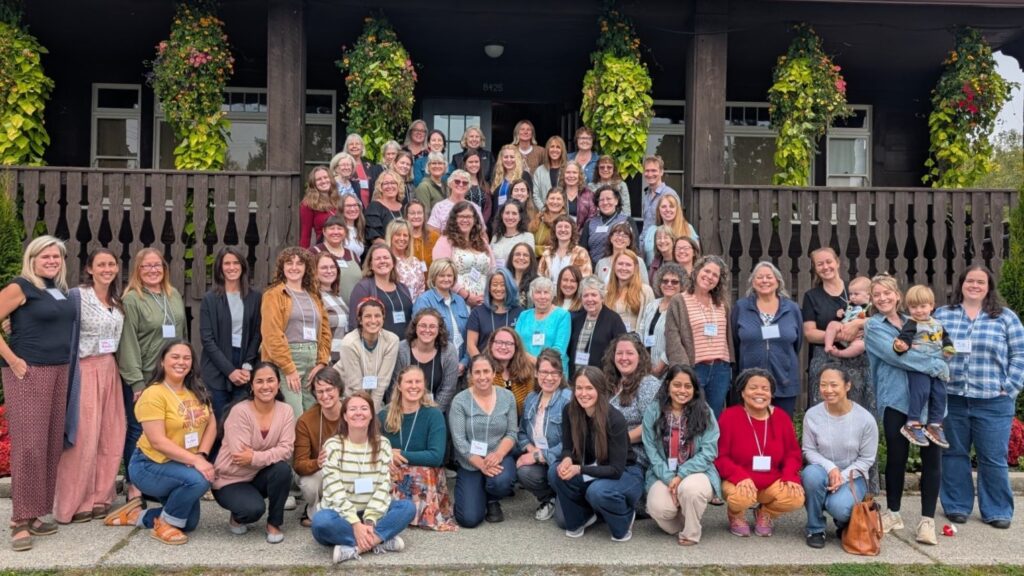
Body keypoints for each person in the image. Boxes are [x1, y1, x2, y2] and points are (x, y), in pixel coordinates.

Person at [936, 265, 1024, 531]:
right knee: (953, 454)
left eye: (980, 282)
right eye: (970, 281)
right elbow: (929, 348)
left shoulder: (1006, 318)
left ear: (989, 287)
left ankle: (997, 510)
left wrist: (1009, 387)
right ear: (961, 284)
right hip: (953, 398)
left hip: (993, 400)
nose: (974, 285)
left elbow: (1019, 355)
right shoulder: (943, 314)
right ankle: (956, 505)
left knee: (993, 457)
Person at [0, 236, 75, 548]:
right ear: (31, 259)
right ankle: (19, 520)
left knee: (50, 443)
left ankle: (34, 514)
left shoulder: (57, 289)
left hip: (59, 370)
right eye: (45, 256)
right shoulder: (20, 286)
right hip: (28, 372)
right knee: (29, 446)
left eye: (56, 257)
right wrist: (13, 360)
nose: (52, 261)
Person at [105, 341, 215, 546]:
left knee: (188, 522)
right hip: (149, 465)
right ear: (162, 361)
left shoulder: (197, 389)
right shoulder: (153, 394)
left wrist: (201, 455)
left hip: (182, 463)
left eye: (187, 358)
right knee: (200, 480)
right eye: (175, 357)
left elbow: (212, 424)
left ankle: (136, 515)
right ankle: (163, 525)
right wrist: (196, 462)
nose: (181, 362)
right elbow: (157, 441)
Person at [864, 274, 946, 544]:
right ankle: (893, 512)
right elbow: (898, 357)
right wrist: (936, 365)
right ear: (872, 300)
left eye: (887, 293)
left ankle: (927, 520)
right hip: (896, 399)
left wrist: (939, 356)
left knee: (932, 458)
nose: (883, 298)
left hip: (929, 402)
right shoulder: (874, 326)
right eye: (877, 295)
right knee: (897, 457)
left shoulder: (918, 320)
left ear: (897, 295)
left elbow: (940, 346)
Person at [54, 249, 126, 526]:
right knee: (83, 438)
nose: (107, 269)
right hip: (85, 369)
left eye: (111, 264)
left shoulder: (117, 301)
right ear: (90, 269)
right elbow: (50, 318)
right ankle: (74, 502)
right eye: (101, 264)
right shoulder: (77, 296)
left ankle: (100, 497)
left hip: (110, 369)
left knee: (110, 435)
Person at [311, 392, 416, 563]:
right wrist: (355, 523)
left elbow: (383, 487)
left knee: (407, 507)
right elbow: (335, 492)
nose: (358, 412)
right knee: (321, 521)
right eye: (353, 409)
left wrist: (369, 522)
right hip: (341, 515)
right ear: (345, 416)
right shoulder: (332, 446)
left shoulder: (383, 445)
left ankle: (357, 546)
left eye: (364, 408)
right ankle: (380, 539)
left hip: (373, 514)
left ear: (371, 415)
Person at [118, 248, 187, 506]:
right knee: (138, 429)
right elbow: (127, 342)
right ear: (137, 270)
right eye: (146, 266)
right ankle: (134, 484)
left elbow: (181, 334)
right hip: (145, 376)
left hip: (172, 375)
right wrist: (136, 382)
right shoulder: (132, 300)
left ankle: (161, 481)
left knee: (168, 428)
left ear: (164, 268)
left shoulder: (173, 295)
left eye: (157, 265)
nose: (152, 270)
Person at [550, 366, 642, 541]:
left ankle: (625, 516)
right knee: (555, 472)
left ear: (600, 389)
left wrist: (579, 469)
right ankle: (585, 514)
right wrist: (567, 459)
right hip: (590, 469)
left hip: (624, 473)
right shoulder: (569, 410)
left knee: (598, 491)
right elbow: (567, 447)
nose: (583, 393)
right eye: (579, 388)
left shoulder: (615, 419)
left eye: (589, 388)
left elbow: (615, 470)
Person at [715, 368, 805, 538]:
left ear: (771, 394)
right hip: (740, 480)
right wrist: (739, 476)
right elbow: (720, 456)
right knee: (742, 498)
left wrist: (789, 476)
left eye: (765, 389)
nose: (759, 392)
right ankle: (735, 514)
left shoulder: (781, 417)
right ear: (742, 392)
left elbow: (792, 454)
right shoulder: (729, 416)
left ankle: (765, 513)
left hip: (771, 480)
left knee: (796, 497)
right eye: (753, 387)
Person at [212, 362, 295, 544]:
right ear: (251, 386)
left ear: (278, 384)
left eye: (270, 380)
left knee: (282, 470)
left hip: (258, 475)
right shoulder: (240, 411)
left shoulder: (286, 411)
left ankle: (274, 524)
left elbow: (287, 449)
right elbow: (239, 456)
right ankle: (237, 516)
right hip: (230, 479)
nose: (265, 386)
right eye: (259, 381)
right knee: (252, 510)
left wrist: (255, 457)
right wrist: (272, 453)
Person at [642, 365, 721, 546]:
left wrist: (681, 475)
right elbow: (651, 449)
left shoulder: (705, 412)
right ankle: (685, 518)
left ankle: (691, 532)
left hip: (697, 472)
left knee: (690, 490)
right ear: (668, 385)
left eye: (688, 386)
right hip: (662, 472)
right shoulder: (654, 410)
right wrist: (670, 478)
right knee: (659, 508)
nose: (682, 390)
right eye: (677, 385)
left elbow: (709, 451)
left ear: (695, 389)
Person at [801, 365, 878, 549]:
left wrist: (841, 477)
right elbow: (809, 450)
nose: (828, 390)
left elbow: (867, 459)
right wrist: (831, 468)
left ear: (847, 386)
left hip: (854, 476)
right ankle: (815, 528)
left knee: (839, 507)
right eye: (823, 385)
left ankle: (844, 521)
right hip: (822, 471)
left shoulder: (865, 419)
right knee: (810, 475)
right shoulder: (812, 415)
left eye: (834, 385)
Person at [380, 366, 457, 531]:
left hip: (425, 472)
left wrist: (400, 454)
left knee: (422, 470)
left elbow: (436, 456)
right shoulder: (384, 415)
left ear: (424, 385)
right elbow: (373, 447)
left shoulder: (433, 414)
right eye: (409, 382)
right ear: (399, 386)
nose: (414, 386)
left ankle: (422, 515)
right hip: (392, 468)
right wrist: (387, 453)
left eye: (418, 382)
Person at [260, 247, 332, 419]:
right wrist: (289, 368)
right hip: (288, 359)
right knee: (295, 415)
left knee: (313, 414)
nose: (294, 267)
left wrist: (321, 361)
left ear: (306, 267)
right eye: (289, 263)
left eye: (299, 263)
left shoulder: (314, 296)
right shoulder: (273, 295)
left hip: (312, 360)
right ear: (282, 267)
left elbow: (325, 331)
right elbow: (271, 334)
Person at [449, 355, 518, 527]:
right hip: (470, 460)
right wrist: (481, 465)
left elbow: (512, 433)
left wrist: (498, 454)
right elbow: (459, 440)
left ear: (494, 373)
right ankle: (476, 493)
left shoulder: (507, 397)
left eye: (486, 371)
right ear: (471, 375)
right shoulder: (460, 401)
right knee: (468, 519)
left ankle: (492, 499)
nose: (482, 377)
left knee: (501, 482)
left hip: (498, 456)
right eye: (477, 372)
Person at [802, 247, 874, 410]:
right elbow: (810, 333)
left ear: (837, 262)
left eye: (829, 262)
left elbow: (878, 318)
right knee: (826, 410)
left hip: (858, 359)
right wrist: (841, 336)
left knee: (858, 409)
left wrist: (857, 324)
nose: (825, 267)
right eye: (820, 264)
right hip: (825, 359)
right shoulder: (812, 296)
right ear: (815, 268)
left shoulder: (855, 289)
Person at [664, 256, 734, 417]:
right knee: (690, 415)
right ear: (696, 271)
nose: (710, 277)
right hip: (694, 369)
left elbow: (728, 337)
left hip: (720, 370)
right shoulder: (679, 301)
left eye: (715, 275)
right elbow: (673, 338)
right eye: (706, 271)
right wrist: (683, 372)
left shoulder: (722, 303)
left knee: (714, 417)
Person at [731, 262, 803, 415]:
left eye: (769, 277)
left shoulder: (792, 308)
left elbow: (798, 343)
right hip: (750, 381)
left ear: (778, 281)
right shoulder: (741, 307)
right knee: (750, 424)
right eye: (759, 277)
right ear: (753, 282)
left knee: (781, 423)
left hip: (784, 379)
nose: (764, 280)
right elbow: (735, 342)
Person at [199, 247, 262, 422]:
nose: (231, 267)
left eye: (236, 263)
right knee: (218, 422)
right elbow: (207, 339)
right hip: (217, 366)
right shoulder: (210, 299)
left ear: (243, 266)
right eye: (227, 263)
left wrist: (247, 366)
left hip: (245, 364)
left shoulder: (255, 297)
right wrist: (230, 371)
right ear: (220, 267)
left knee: (240, 422)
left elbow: (257, 334)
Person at [892, 285, 955, 447]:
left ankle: (935, 424)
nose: (918, 311)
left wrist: (948, 348)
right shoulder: (912, 324)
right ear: (908, 308)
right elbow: (904, 338)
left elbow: (945, 338)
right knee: (922, 390)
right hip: (920, 364)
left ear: (931, 306)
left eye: (923, 306)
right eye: (914, 307)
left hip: (938, 365)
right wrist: (901, 346)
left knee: (940, 393)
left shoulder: (938, 324)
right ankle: (912, 423)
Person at [516, 349, 572, 522]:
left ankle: (568, 498)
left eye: (554, 373)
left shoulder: (568, 400)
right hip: (540, 459)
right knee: (524, 472)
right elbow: (522, 432)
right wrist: (530, 449)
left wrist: (539, 455)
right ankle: (550, 499)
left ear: (561, 375)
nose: (549, 377)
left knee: (565, 520)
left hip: (563, 461)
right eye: (544, 372)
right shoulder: (531, 399)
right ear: (536, 373)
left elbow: (572, 442)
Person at [605, 333, 662, 471]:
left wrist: (616, 442)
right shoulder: (610, 383)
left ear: (640, 357)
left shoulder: (648, 384)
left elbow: (650, 426)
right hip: (605, 453)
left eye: (629, 353)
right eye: (619, 353)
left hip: (633, 458)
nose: (624, 358)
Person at [294, 368, 343, 527]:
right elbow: (299, 464)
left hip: (349, 467)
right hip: (322, 470)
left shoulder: (352, 411)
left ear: (339, 389)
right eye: (320, 391)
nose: (325, 395)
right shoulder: (306, 421)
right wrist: (317, 462)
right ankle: (314, 508)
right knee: (308, 483)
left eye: (329, 389)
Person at [335, 297, 399, 411]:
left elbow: (382, 384)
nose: (373, 321)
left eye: (377, 316)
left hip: (374, 399)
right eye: (368, 316)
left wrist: (372, 412)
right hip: (347, 395)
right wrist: (365, 411)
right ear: (360, 320)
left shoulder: (391, 341)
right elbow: (356, 387)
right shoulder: (349, 343)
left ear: (383, 318)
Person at [393, 309, 460, 414]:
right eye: (423, 326)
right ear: (415, 328)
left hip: (437, 411)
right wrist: (407, 411)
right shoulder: (402, 349)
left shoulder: (448, 351)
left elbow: (448, 388)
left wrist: (432, 414)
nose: (427, 330)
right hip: (405, 410)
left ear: (439, 329)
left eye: (432, 326)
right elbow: (396, 384)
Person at [432, 201, 496, 307]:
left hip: (484, 301)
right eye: (461, 216)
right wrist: (466, 296)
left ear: (475, 220)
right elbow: (441, 273)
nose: (465, 220)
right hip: (457, 301)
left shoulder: (482, 241)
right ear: (454, 219)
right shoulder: (445, 241)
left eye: (469, 217)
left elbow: (493, 269)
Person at [413, 259, 470, 371]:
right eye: (442, 275)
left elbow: (468, 334)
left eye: (449, 275)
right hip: (437, 366)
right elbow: (421, 336)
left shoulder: (460, 301)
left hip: (461, 365)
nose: (446, 279)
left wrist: (465, 362)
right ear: (434, 277)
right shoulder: (424, 301)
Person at [346, 243, 414, 338]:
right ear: (371, 265)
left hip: (405, 344)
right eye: (378, 258)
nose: (382, 261)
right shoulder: (363, 288)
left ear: (393, 262)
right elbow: (354, 322)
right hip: (378, 345)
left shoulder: (403, 288)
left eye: (386, 258)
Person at [568, 275, 626, 375]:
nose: (589, 299)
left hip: (601, 378)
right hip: (576, 377)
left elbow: (621, 349)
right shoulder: (576, 319)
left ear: (602, 297)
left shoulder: (613, 320)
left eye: (594, 295)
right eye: (585, 295)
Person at [637, 263, 685, 377]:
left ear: (682, 285)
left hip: (667, 369)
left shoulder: (682, 309)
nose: (669, 284)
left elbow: (677, 342)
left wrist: (659, 367)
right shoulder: (652, 305)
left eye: (674, 282)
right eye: (665, 281)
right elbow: (641, 331)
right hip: (645, 366)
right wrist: (643, 362)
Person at [515, 277, 571, 370]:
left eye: (546, 292)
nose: (542, 296)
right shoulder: (524, 315)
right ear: (532, 295)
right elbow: (516, 343)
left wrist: (539, 363)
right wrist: (530, 360)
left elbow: (559, 349)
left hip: (552, 371)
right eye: (538, 292)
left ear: (552, 295)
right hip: (525, 369)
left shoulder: (562, 315)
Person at [466, 268, 522, 359]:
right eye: (495, 285)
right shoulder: (477, 313)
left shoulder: (520, 312)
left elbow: (523, 345)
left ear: (509, 286)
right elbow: (471, 345)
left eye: (503, 285)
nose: (498, 288)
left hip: (512, 365)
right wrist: (482, 364)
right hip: (484, 364)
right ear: (489, 288)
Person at [580, 185, 637, 266]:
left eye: (609, 199)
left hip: (620, 267)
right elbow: (582, 250)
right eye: (601, 200)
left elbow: (635, 248)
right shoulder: (590, 223)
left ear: (616, 201)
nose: (605, 202)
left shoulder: (627, 221)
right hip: (593, 268)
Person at [310, 215, 362, 303]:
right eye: (331, 228)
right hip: (327, 306)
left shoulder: (353, 254)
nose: (336, 232)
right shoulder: (313, 253)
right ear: (324, 231)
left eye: (339, 228)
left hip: (355, 307)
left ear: (345, 232)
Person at [486, 326, 535, 415]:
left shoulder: (526, 371)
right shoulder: (482, 371)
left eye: (509, 343)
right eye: (499, 342)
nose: (503, 347)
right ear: (491, 345)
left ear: (516, 347)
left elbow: (531, 406)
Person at [606, 250, 655, 333]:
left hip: (634, 338)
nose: (623, 268)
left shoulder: (645, 291)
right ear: (614, 266)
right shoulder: (606, 291)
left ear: (635, 268)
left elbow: (650, 321)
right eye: (620, 264)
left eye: (628, 265)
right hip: (611, 338)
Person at [823, 276, 872, 359]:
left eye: (856, 294)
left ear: (868, 295)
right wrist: (839, 314)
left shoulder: (871, 307)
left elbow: (875, 321)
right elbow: (843, 317)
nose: (852, 297)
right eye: (851, 294)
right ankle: (828, 345)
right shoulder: (849, 305)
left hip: (858, 337)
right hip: (843, 329)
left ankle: (840, 353)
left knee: (860, 346)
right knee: (832, 324)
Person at [314, 252, 349, 365]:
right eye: (324, 268)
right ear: (314, 271)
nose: (329, 271)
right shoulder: (314, 297)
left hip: (342, 360)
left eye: (332, 267)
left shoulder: (337, 297)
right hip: (327, 361)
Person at [641, 194, 696, 266]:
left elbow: (696, 256)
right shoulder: (651, 230)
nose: (667, 210)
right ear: (658, 210)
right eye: (664, 207)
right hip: (653, 271)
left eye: (671, 206)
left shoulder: (687, 228)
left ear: (677, 209)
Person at [594, 222, 649, 286]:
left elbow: (645, 286)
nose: (620, 238)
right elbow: (596, 287)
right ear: (611, 238)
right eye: (617, 235)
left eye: (624, 236)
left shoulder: (638, 261)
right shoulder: (601, 263)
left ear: (629, 242)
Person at [538, 216, 592, 282]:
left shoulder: (581, 252)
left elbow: (585, 279)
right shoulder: (547, 253)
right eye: (559, 227)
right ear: (555, 230)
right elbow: (540, 277)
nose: (563, 230)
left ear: (572, 231)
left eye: (566, 227)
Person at [640, 155, 680, 238]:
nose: (650, 174)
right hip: (645, 243)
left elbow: (677, 223)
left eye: (654, 170)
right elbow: (646, 225)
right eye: (647, 171)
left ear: (661, 172)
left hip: (662, 242)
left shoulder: (669, 194)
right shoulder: (647, 195)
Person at [299, 166, 340, 249]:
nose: (323, 181)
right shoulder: (308, 204)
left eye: (326, 177)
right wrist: (303, 254)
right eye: (319, 179)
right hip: (323, 248)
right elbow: (306, 234)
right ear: (313, 183)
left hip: (342, 246)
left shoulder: (339, 199)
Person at [387, 219, 427, 301]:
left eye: (405, 235)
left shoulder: (415, 262)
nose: (402, 238)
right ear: (390, 236)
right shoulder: (386, 261)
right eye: (398, 235)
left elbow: (421, 289)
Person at [365, 170, 406, 243]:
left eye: (393, 183)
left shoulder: (404, 207)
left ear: (399, 186)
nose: (390, 186)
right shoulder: (374, 207)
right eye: (386, 183)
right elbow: (375, 238)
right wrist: (392, 248)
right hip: (383, 248)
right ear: (380, 187)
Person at [490, 201, 536, 268]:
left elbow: (529, 263)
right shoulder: (495, 237)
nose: (510, 217)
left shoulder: (527, 237)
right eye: (507, 213)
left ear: (520, 217)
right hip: (495, 274)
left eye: (514, 213)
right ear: (502, 215)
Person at [492, 144, 532, 213]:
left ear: (517, 159)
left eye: (512, 157)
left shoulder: (524, 175)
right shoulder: (497, 177)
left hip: (519, 216)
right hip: (499, 217)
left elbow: (529, 199)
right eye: (506, 157)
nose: (509, 160)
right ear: (501, 159)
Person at [530, 187, 568, 258]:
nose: (555, 202)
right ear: (546, 201)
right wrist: (543, 249)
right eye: (552, 198)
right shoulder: (538, 219)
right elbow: (528, 246)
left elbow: (561, 248)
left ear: (563, 203)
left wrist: (538, 249)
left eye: (558, 199)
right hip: (534, 260)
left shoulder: (567, 223)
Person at [559, 161, 597, 231]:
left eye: (574, 172)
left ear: (579, 175)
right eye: (568, 172)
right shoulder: (558, 194)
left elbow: (592, 217)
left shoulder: (589, 195)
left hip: (583, 234)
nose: (571, 175)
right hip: (561, 233)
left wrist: (581, 233)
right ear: (563, 175)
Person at [531, 136, 567, 206]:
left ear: (562, 150)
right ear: (547, 150)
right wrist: (544, 210)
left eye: (558, 147)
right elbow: (535, 195)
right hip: (544, 211)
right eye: (552, 147)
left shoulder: (568, 169)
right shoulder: (539, 171)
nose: (554, 150)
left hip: (565, 211)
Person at [406, 198, 439, 270]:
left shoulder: (434, 236)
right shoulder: (402, 238)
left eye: (419, 213)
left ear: (424, 215)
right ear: (407, 216)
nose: (416, 216)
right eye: (412, 213)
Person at [343, 133, 375, 207]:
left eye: (357, 144)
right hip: (352, 206)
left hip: (370, 206)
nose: (354, 146)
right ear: (347, 148)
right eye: (351, 144)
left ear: (362, 147)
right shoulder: (344, 166)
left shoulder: (368, 165)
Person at [463, 149, 493, 224]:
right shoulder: (460, 183)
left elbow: (488, 208)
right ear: (465, 164)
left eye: (476, 162)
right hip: (464, 224)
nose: (474, 164)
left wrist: (481, 223)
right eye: (470, 162)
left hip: (482, 225)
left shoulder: (485, 185)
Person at [506, 242, 539, 308]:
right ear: (511, 258)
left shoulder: (537, 283)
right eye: (517, 254)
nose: (521, 258)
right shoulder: (504, 280)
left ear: (531, 259)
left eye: (525, 255)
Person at [340, 194, 367, 264]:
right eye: (348, 206)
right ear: (341, 208)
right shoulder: (336, 229)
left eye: (355, 205)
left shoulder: (360, 229)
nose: (352, 209)